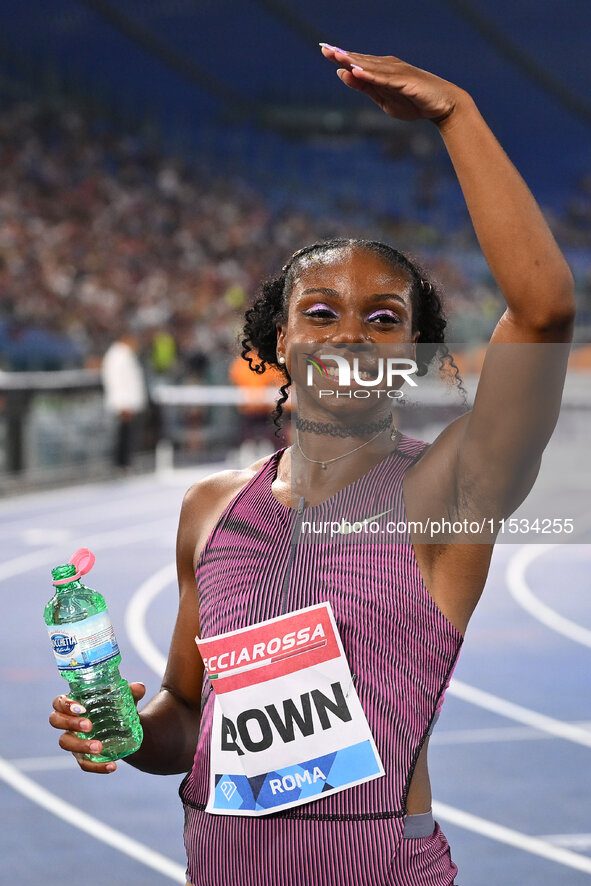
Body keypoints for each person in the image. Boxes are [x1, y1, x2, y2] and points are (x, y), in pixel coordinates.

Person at [50, 45, 575, 885]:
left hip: (377, 867)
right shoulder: (212, 508)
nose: (349, 337)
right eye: (321, 313)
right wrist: (125, 729)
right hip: (220, 867)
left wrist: (456, 116)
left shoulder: (447, 488)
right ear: (278, 343)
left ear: (410, 354)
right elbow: (189, 715)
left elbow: (542, 313)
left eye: (383, 319)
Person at [101, 331, 148, 469]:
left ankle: (125, 462)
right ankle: (121, 463)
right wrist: (122, 402)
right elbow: (116, 381)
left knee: (127, 432)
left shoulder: (125, 354)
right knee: (122, 433)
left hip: (128, 401)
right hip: (123, 402)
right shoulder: (117, 356)